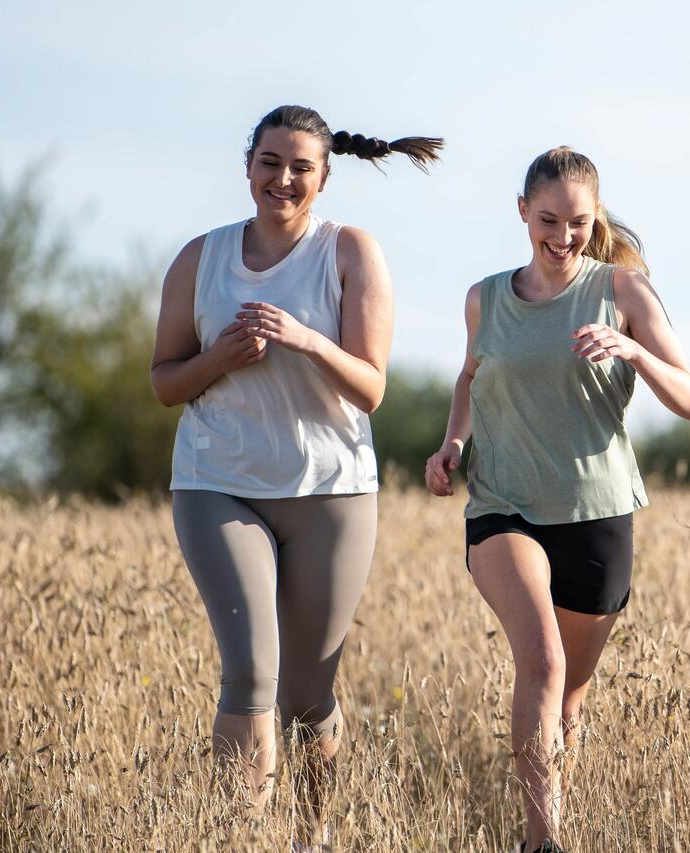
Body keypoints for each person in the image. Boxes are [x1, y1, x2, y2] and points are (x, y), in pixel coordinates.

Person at [150, 104, 440, 847]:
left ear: (324, 176)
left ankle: (314, 834)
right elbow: (165, 381)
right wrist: (224, 355)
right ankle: (246, 837)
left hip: (331, 488)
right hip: (220, 480)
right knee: (250, 672)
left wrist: (306, 339)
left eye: (300, 167)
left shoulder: (350, 252)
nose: (283, 178)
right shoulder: (199, 258)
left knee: (309, 696)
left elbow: (370, 388)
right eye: (270, 163)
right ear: (247, 167)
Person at [425, 146, 690, 853]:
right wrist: (453, 444)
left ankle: (552, 814)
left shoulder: (623, 290)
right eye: (547, 219)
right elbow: (469, 377)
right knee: (542, 663)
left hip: (597, 512)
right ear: (522, 212)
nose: (562, 235)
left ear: (595, 217)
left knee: (569, 698)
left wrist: (633, 350)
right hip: (503, 505)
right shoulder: (485, 297)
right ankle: (542, 842)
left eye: (578, 221)